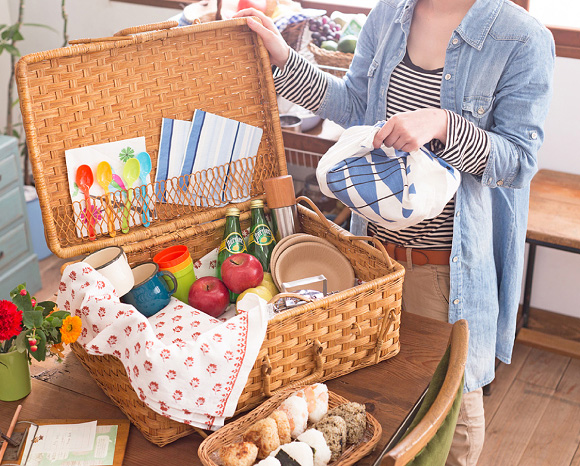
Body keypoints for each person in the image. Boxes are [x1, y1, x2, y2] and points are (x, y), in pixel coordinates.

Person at [236, 1, 555, 464]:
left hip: (443, 276)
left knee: (449, 425)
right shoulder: (390, 14)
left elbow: (518, 163)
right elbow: (354, 106)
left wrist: (443, 124)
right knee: (372, 405)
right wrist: (284, 58)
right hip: (371, 261)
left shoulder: (521, 37)